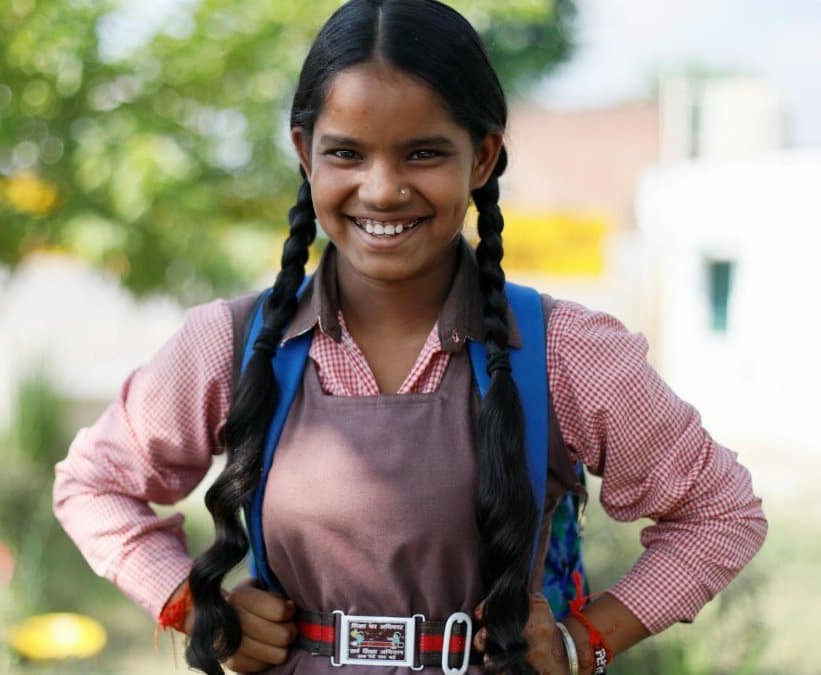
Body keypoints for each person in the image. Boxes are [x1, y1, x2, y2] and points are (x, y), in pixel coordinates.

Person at [52, 1, 768, 673]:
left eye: (423, 153)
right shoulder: (232, 344)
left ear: (483, 157)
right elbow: (94, 484)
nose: (383, 188)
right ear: (305, 153)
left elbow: (721, 511)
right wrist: (197, 608)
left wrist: (586, 643)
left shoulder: (561, 350)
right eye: (347, 154)